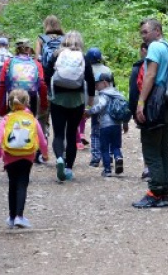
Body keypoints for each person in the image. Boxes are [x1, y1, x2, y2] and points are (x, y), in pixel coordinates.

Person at [133, 18, 168, 208]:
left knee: (151, 149)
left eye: (145, 31)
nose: (143, 36)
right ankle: (164, 192)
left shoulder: (155, 48)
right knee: (163, 151)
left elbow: (150, 74)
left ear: (157, 31)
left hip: (156, 102)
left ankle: (155, 192)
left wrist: (141, 102)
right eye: (142, 32)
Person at [0, 89, 49, 229]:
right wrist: (45, 153)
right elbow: (42, 139)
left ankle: (12, 217)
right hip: (27, 156)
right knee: (22, 184)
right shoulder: (32, 119)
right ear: (27, 103)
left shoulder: (7, 120)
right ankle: (20, 216)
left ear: (10, 103)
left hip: (10, 156)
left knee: (12, 184)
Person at [45, 31, 95, 182]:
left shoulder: (56, 54)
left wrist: (49, 91)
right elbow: (90, 80)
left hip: (58, 99)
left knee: (59, 133)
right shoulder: (83, 57)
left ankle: (60, 158)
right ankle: (68, 168)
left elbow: (47, 74)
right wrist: (90, 101)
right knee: (72, 134)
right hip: (77, 100)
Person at [85, 71, 125, 177]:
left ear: (105, 83)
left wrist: (89, 112)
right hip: (117, 124)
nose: (96, 87)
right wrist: (124, 123)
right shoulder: (118, 94)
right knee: (116, 146)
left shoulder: (104, 94)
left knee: (104, 148)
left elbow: (100, 106)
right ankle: (118, 157)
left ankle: (107, 170)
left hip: (105, 125)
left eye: (97, 84)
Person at [34, 15, 64, 153]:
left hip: (45, 82)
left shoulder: (41, 39)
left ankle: (41, 147)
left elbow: (37, 60)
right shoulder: (65, 40)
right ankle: (61, 147)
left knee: (42, 115)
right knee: (61, 115)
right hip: (62, 82)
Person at [85, 47, 113, 165]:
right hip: (106, 101)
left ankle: (96, 158)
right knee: (107, 129)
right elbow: (113, 86)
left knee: (95, 131)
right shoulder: (107, 69)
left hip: (93, 101)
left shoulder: (87, 68)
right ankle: (110, 156)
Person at [128, 42, 149, 179]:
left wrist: (133, 110)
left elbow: (133, 91)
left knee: (147, 138)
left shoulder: (138, 68)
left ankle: (148, 167)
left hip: (145, 107)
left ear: (143, 50)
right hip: (163, 107)